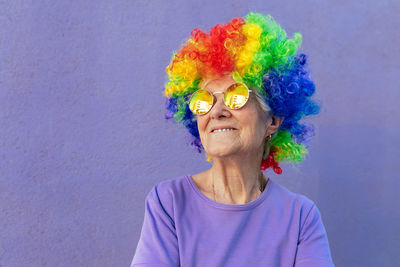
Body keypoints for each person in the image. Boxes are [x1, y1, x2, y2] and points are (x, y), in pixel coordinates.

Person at [131, 12, 334, 267]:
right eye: (203, 100)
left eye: (236, 96)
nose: (217, 111)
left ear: (272, 121)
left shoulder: (301, 217)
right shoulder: (169, 202)